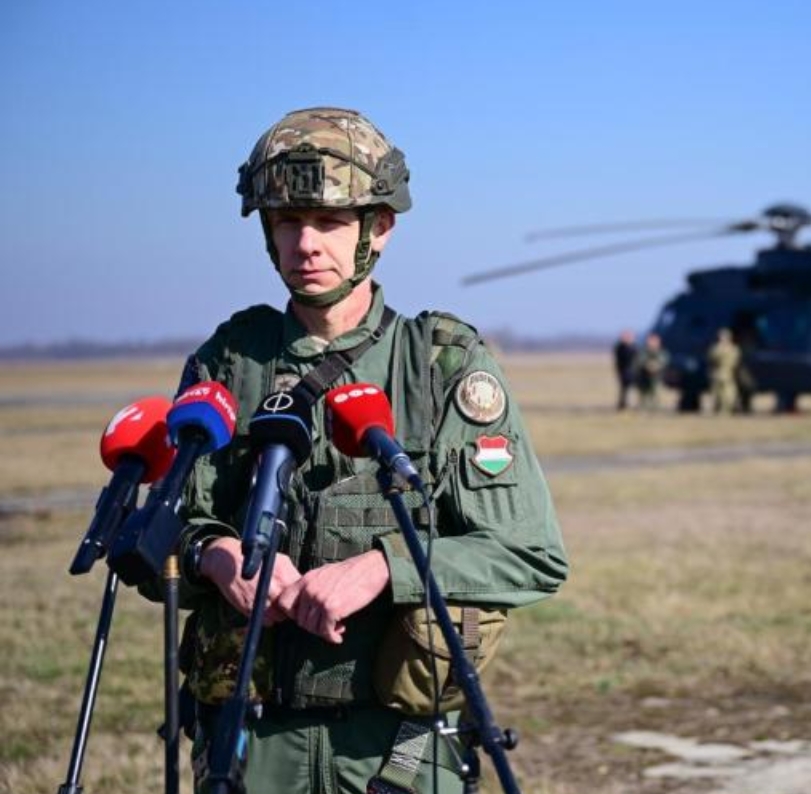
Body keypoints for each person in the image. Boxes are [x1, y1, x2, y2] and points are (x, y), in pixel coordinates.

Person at [168, 107, 568, 794]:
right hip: (252, 741)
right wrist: (215, 555)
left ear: (379, 229)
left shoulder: (441, 365)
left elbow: (529, 551)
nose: (306, 245)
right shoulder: (228, 361)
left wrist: (384, 569)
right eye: (287, 222)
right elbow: (159, 532)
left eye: (328, 222)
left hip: (400, 748)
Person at [706, 329, 740, 414]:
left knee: (729, 394)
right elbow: (711, 358)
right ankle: (719, 409)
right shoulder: (718, 348)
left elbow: (734, 361)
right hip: (718, 373)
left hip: (726, 373)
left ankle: (727, 409)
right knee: (717, 393)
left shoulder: (731, 348)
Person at [631, 333, 668, 411]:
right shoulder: (643, 351)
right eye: (651, 341)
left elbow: (664, 361)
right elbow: (639, 362)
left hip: (656, 376)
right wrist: (647, 366)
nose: (652, 343)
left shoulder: (661, 352)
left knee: (654, 392)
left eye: (654, 341)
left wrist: (655, 366)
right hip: (643, 375)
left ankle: (654, 407)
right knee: (643, 392)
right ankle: (643, 406)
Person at [611, 330, 637, 410]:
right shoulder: (620, 347)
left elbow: (636, 359)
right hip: (623, 370)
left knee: (631, 388)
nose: (627, 339)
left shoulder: (634, 347)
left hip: (632, 370)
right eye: (626, 337)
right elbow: (619, 359)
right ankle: (622, 404)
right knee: (624, 389)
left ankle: (630, 404)